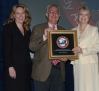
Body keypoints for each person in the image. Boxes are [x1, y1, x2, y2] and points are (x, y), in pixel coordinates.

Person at [29, 4, 67, 91]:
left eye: (56, 12)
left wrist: (66, 57)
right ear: (46, 14)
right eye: (51, 11)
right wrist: (44, 37)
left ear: (59, 15)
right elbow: (31, 47)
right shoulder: (38, 28)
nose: (54, 14)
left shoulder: (64, 31)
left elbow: (66, 50)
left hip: (59, 72)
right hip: (41, 72)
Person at [2, 4, 32, 91]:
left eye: (22, 13)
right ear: (14, 15)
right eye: (18, 13)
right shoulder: (8, 28)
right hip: (13, 68)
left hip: (26, 69)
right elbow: (6, 50)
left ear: (25, 14)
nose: (20, 16)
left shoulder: (28, 30)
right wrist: (10, 67)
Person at [71, 6, 99, 91]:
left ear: (89, 17)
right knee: (80, 87)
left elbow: (97, 47)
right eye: (81, 14)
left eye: (86, 14)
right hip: (78, 64)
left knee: (90, 87)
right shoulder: (73, 31)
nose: (83, 17)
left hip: (89, 64)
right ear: (78, 16)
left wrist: (83, 50)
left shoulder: (94, 29)